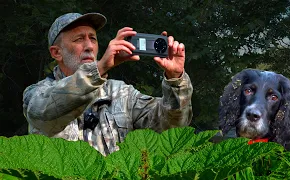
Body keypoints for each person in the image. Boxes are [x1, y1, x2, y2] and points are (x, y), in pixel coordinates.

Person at [23, 12, 193, 156]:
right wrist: (100, 68)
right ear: (56, 52)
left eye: (93, 38)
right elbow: (43, 113)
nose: (89, 46)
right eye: (78, 39)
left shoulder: (122, 93)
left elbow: (171, 128)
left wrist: (175, 79)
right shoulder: (37, 94)